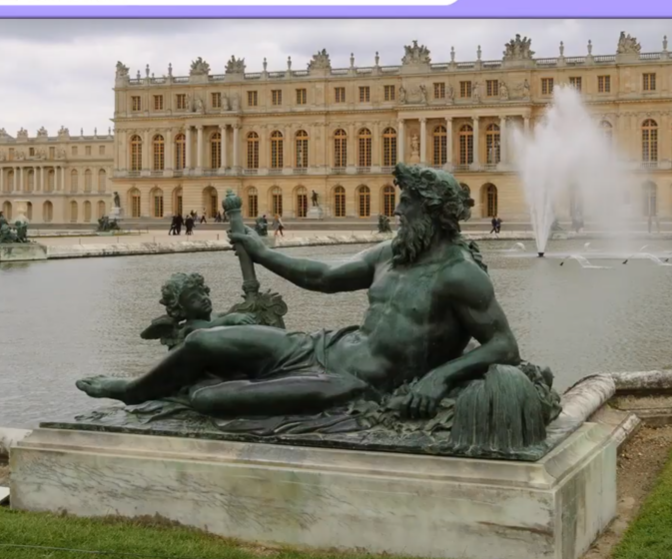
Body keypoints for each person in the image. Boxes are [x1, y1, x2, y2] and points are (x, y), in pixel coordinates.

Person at [77, 164, 520, 419]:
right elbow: (321, 277)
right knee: (200, 341)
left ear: (432, 210)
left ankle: (236, 385)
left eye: (407, 202)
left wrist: (439, 377)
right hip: (321, 348)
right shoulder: (392, 254)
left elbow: (504, 345)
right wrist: (261, 251)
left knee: (209, 399)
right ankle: (133, 390)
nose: (398, 209)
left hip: (352, 383)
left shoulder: (459, 274)